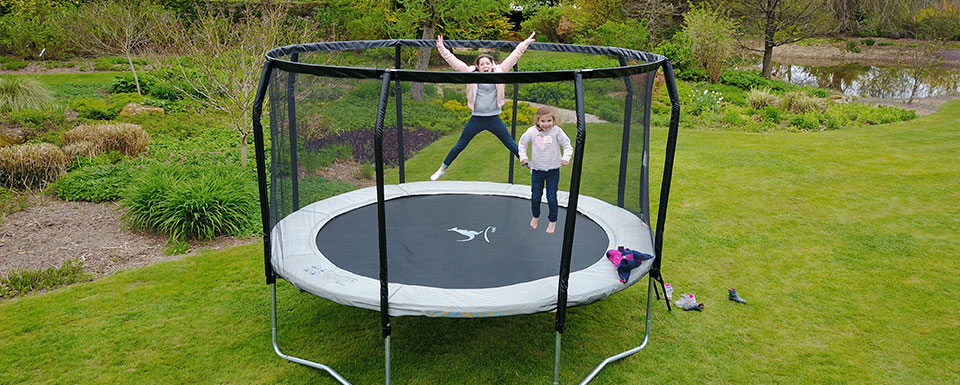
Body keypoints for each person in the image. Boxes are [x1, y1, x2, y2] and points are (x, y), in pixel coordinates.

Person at [429, 32, 538, 181]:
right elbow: (453, 61)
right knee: (460, 145)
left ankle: (531, 167)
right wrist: (441, 48)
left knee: (512, 145)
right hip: (477, 119)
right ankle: (442, 169)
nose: (485, 66)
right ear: (478, 67)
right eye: (482, 64)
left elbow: (515, 55)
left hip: (494, 118)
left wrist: (525, 42)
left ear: (492, 65)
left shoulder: (500, 71)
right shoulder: (470, 72)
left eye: (488, 63)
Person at [518, 107, 572, 234]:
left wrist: (566, 158)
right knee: (536, 196)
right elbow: (522, 145)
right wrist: (524, 158)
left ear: (553, 120)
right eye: (543, 121)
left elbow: (567, 145)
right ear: (537, 121)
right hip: (537, 170)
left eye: (549, 120)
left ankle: (552, 221)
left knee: (551, 197)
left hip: (553, 170)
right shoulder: (531, 132)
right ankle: (535, 217)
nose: (546, 124)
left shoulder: (557, 131)